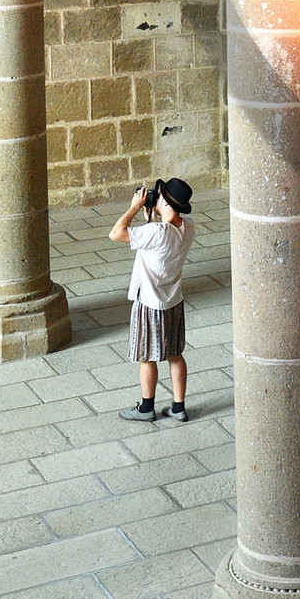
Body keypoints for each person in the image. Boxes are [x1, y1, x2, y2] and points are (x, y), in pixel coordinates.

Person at [111, 176, 195, 421]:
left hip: (149, 303)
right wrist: (152, 218)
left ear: (167, 204)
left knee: (146, 357)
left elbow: (116, 233)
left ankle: (146, 408)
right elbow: (161, 235)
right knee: (175, 355)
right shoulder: (188, 226)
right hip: (173, 300)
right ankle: (178, 408)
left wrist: (135, 207)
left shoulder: (156, 232)